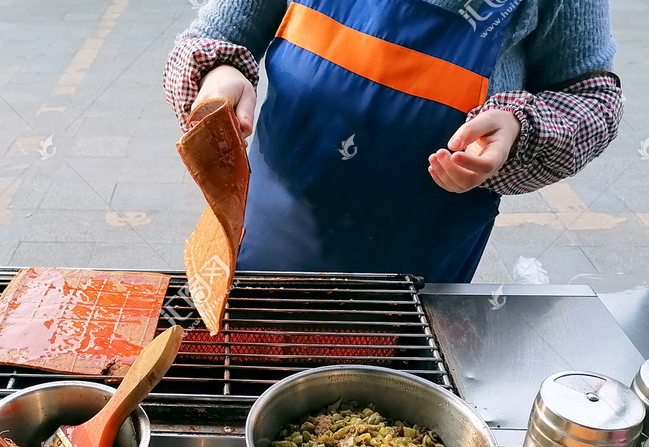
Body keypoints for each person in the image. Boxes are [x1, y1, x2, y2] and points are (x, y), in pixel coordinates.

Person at [163, 0, 624, 282]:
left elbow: (591, 97)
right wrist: (217, 74)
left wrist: (522, 130)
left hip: (418, 264)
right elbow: (218, 33)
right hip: (266, 233)